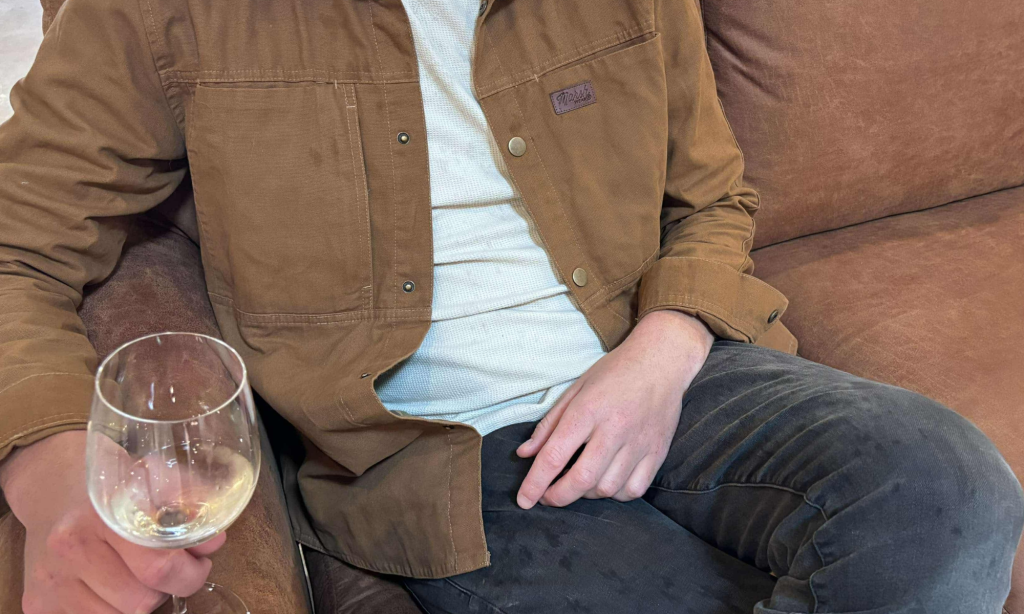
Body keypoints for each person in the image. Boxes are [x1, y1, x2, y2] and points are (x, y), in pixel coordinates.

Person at [0, 0, 1021, 612]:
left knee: (952, 487)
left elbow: (712, 197)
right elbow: (17, 243)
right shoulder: (161, 12)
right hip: (440, 457)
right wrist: (55, 473)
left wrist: (662, 350)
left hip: (672, 368)